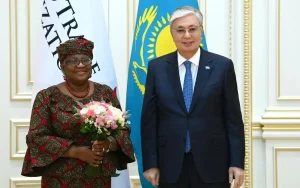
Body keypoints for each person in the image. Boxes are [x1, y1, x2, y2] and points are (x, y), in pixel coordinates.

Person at [141, 6, 245, 188]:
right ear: (172, 34)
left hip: (213, 164)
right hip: (169, 165)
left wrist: (237, 162)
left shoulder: (222, 66)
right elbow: (149, 120)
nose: (187, 35)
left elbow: (233, 120)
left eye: (192, 29)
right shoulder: (157, 68)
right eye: (180, 30)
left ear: (201, 31)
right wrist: (150, 164)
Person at [21, 37, 135, 188]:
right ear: (62, 65)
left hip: (98, 176)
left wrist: (108, 144)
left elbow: (123, 131)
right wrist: (76, 152)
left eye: (85, 60)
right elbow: (37, 137)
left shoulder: (105, 93)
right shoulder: (47, 96)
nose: (80, 65)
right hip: (60, 178)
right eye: (73, 60)